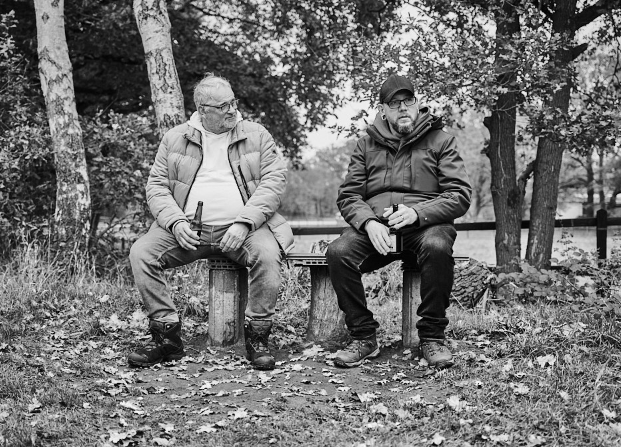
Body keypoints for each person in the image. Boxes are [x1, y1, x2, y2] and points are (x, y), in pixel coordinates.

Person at [129, 74, 293, 370]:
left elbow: (274, 182)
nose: (232, 110)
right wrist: (175, 222)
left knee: (268, 255)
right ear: (202, 109)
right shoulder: (175, 138)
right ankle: (166, 336)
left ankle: (257, 338)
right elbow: (156, 187)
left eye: (233, 102)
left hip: (245, 230)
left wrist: (244, 223)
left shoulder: (256, 135)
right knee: (142, 253)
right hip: (189, 230)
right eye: (223, 106)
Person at [326, 74, 471, 370]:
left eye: (408, 100)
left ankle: (432, 337)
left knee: (437, 245)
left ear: (416, 103)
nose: (403, 107)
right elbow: (349, 195)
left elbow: (459, 195)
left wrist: (418, 212)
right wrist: (369, 222)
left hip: (426, 225)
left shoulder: (441, 140)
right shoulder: (366, 145)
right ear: (383, 110)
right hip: (379, 227)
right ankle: (364, 336)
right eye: (394, 103)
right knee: (338, 252)